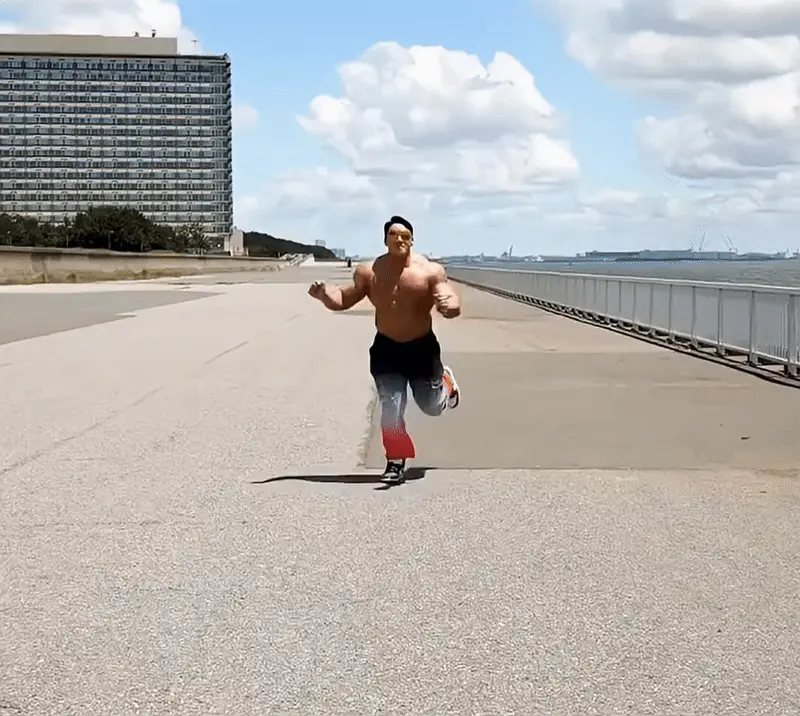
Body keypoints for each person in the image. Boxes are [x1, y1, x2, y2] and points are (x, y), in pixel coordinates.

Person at [308, 215, 461, 484]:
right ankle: (395, 461)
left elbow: (449, 297)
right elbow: (344, 299)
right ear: (385, 240)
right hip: (387, 348)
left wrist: (451, 306)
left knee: (431, 407)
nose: (399, 239)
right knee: (391, 407)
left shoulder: (430, 271)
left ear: (412, 239)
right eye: (393, 235)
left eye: (405, 235)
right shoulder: (369, 272)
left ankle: (446, 384)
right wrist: (325, 296)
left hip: (422, 348)